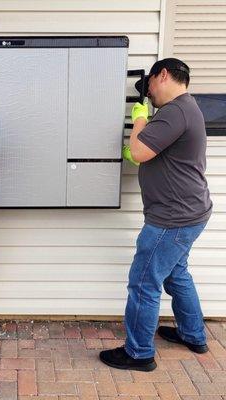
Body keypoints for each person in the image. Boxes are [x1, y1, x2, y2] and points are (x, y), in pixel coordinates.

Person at [100, 58, 212, 371]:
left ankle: (138, 354)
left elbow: (138, 153)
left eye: (148, 86)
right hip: (191, 212)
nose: (148, 95)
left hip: (171, 219)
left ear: (162, 75)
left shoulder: (176, 111)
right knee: (177, 275)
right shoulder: (186, 109)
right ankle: (193, 335)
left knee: (143, 284)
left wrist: (139, 120)